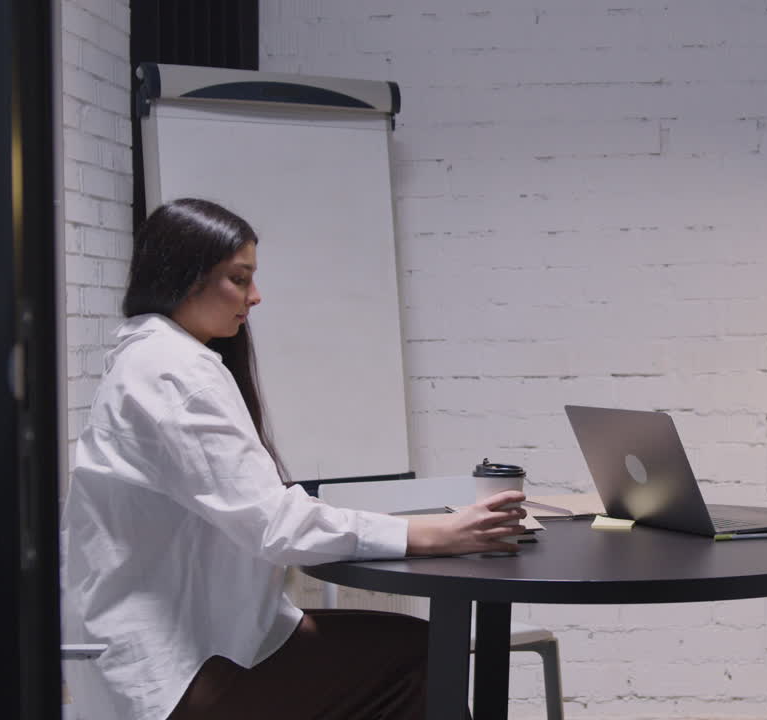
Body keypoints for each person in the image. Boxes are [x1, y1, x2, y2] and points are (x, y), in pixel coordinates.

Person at [61, 197, 526, 719]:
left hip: (184, 639)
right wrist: (431, 534)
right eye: (239, 279)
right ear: (184, 276)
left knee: (412, 648)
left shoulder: (152, 357)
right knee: (417, 656)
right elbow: (273, 524)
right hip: (168, 668)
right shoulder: (173, 372)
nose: (255, 297)